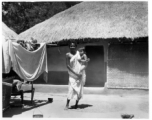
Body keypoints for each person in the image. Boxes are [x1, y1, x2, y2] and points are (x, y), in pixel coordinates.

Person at [65, 43, 89, 110]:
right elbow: (67, 66)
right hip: (72, 74)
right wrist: (75, 73)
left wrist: (86, 60)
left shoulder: (79, 53)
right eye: (71, 46)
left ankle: (76, 105)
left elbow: (82, 60)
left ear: (76, 47)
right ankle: (67, 104)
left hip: (79, 74)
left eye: (73, 46)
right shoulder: (67, 55)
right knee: (70, 89)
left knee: (79, 90)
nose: (72, 47)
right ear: (69, 47)